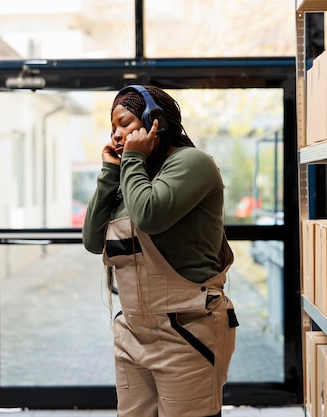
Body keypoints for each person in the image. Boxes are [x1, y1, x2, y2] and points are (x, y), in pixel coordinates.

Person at [82, 84, 238, 417]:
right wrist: (111, 171)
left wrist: (133, 160)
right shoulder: (132, 175)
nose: (117, 135)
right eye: (113, 129)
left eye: (125, 123)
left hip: (185, 330)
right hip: (133, 332)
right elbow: (93, 240)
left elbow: (149, 215)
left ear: (156, 121)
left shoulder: (193, 163)